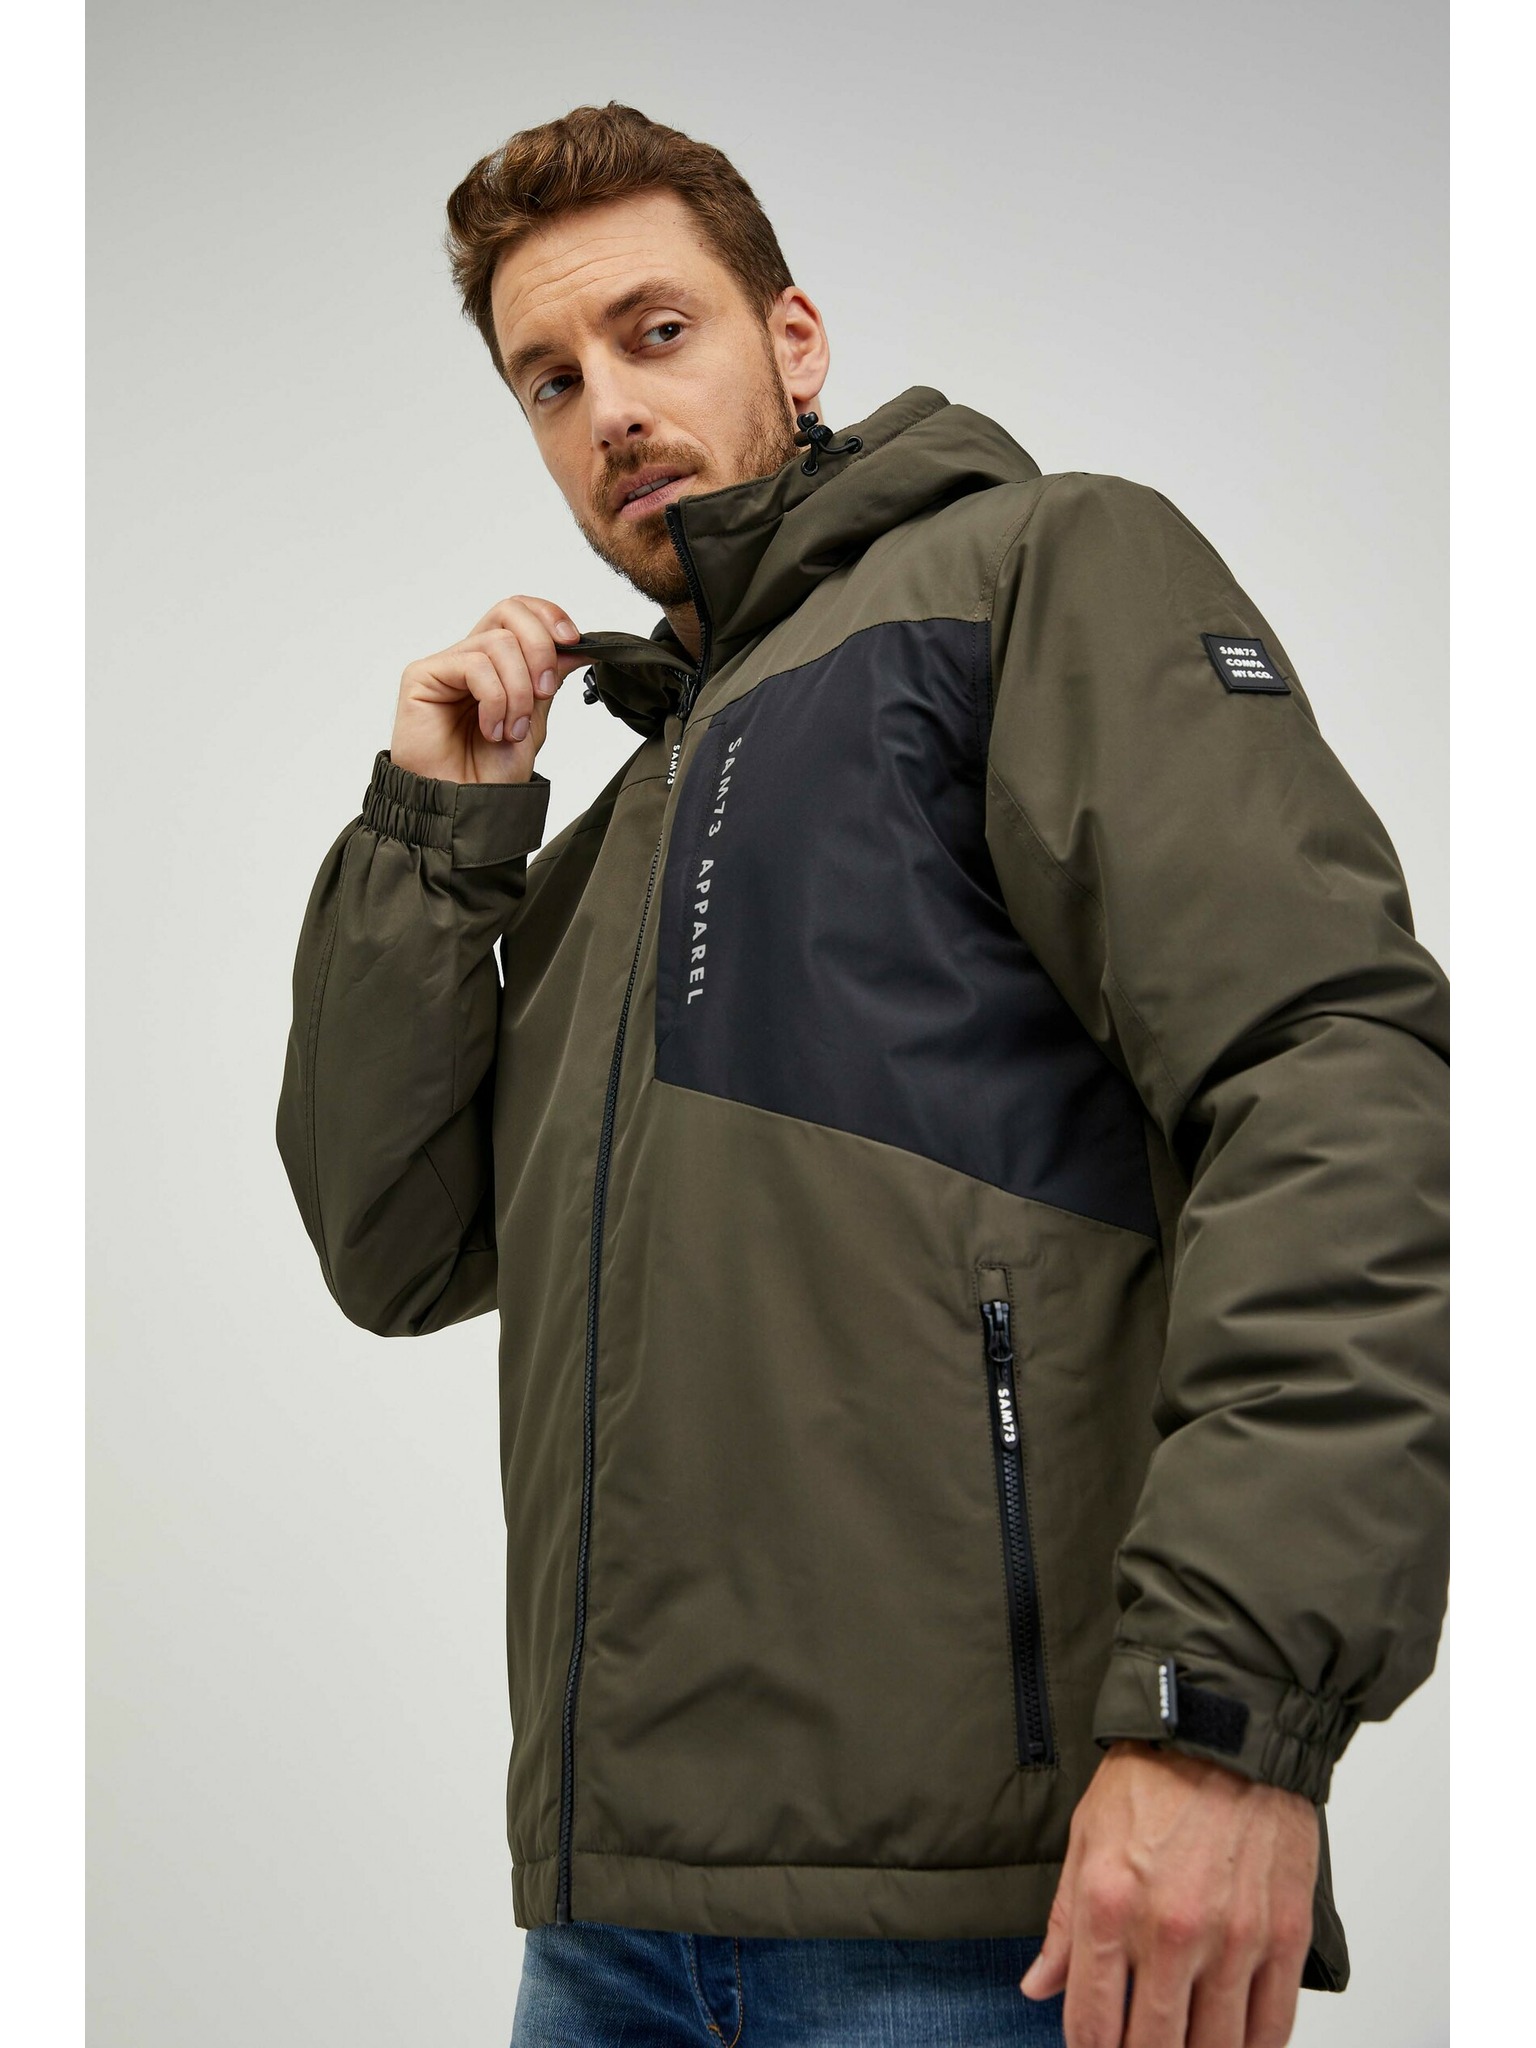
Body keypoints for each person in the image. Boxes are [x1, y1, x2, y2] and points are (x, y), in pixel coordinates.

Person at [275, 101, 1450, 2048]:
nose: (609, 409)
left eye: (657, 333)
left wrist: (1229, 1717)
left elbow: (1328, 1075)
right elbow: (391, 1245)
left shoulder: (1038, 569)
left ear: (794, 339)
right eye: (549, 379)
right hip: (605, 1941)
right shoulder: (623, 820)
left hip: (991, 1932)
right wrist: (433, 836)